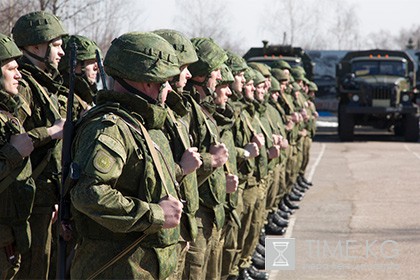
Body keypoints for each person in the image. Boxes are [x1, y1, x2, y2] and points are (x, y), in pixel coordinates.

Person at [69, 32, 186, 279]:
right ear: (147, 82)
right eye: (165, 81)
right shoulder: (110, 128)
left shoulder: (140, 124)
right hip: (118, 268)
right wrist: (155, 214)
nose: (168, 89)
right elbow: (89, 193)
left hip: (144, 268)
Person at [11, 11, 68, 279]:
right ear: (35, 47)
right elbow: (13, 139)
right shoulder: (24, 86)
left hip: (45, 198)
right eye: (55, 45)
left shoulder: (44, 84)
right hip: (29, 201)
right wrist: (51, 132)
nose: (61, 53)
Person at [152, 29, 203, 279]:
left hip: (179, 228)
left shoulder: (173, 112)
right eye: (183, 67)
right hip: (161, 231)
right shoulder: (155, 116)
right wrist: (182, 168)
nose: (189, 74)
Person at [182, 37, 229, 279]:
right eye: (216, 72)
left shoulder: (202, 111)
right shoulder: (188, 112)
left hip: (209, 212)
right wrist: (212, 161)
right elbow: (182, 162)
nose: (220, 78)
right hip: (196, 214)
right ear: (201, 75)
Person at [0, 33, 35, 280]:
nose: (19, 74)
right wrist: (14, 152)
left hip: (10, 234)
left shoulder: (7, 113)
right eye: (11, 68)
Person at [59, 35, 101, 105]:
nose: (96, 68)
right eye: (91, 61)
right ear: (73, 65)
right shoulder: (63, 100)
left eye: (97, 62)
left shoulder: (92, 97)